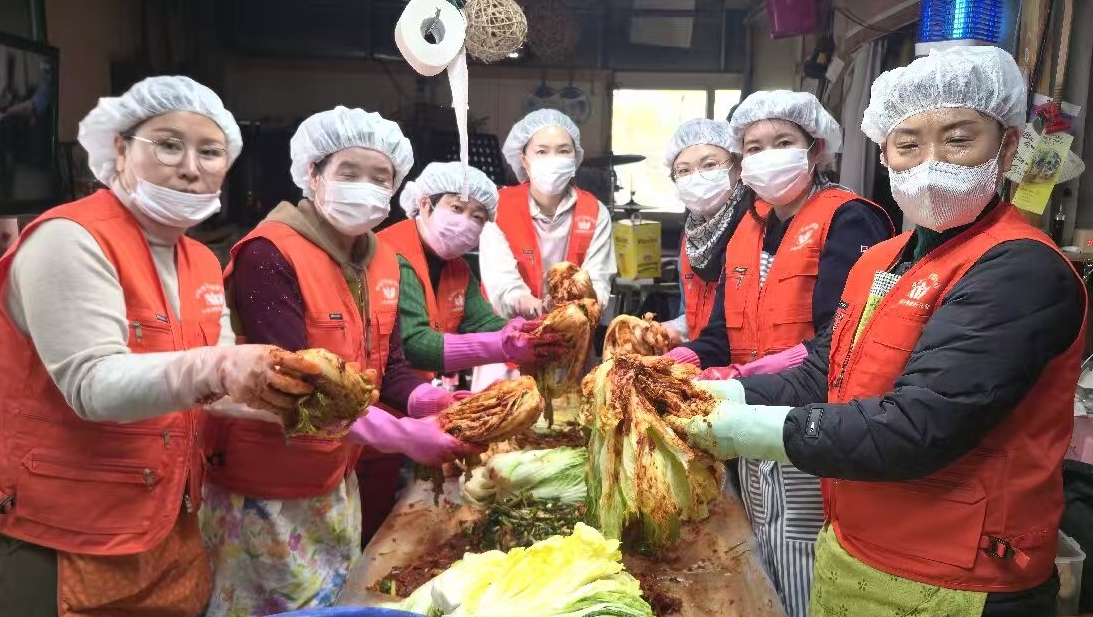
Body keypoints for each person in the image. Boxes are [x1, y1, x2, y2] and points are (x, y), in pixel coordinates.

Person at [669, 46, 1086, 617]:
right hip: (857, 548)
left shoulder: (1020, 269)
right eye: (908, 144)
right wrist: (709, 393)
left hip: (960, 577)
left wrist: (735, 427)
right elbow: (821, 373)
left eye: (958, 140)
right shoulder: (882, 260)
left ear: (1007, 145)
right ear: (884, 152)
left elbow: (917, 426)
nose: (931, 163)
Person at [0, 76, 317, 617]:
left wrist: (299, 400)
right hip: (67, 534)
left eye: (210, 152)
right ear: (120, 149)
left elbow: (214, 389)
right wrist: (221, 364)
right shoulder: (70, 240)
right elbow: (93, 385)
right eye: (169, 145)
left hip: (170, 523)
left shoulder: (200, 260)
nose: (191, 167)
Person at [203, 107, 480, 616]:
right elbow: (293, 390)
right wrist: (403, 436)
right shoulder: (269, 256)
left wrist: (428, 400)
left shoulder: (380, 259)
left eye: (380, 177)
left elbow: (389, 364)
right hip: (266, 491)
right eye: (348, 172)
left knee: (337, 601)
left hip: (334, 477)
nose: (366, 188)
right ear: (313, 174)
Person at [663, 90, 893, 617]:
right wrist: (679, 364)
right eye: (754, 146)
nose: (768, 155)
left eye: (783, 142)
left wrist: (742, 376)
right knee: (759, 547)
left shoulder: (849, 219)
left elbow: (842, 341)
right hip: (747, 414)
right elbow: (718, 335)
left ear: (816, 149)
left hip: (811, 418)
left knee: (804, 549)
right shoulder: (748, 227)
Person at [379, 161, 564, 378]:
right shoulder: (395, 253)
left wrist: (536, 332)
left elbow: (484, 322)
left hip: (414, 388)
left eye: (477, 217)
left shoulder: (458, 269)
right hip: (376, 391)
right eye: (457, 208)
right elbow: (414, 345)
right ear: (426, 205)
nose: (465, 221)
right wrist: (501, 345)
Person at [476, 109, 617, 388]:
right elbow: (502, 287)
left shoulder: (595, 212)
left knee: (571, 412)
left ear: (575, 158)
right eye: (542, 151)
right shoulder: (499, 209)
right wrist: (540, 307)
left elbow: (598, 284)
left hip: (571, 351)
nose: (553, 158)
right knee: (503, 411)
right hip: (508, 350)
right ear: (524, 159)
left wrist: (575, 314)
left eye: (563, 151)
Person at [661, 118, 746, 345]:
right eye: (683, 170)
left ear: (737, 167)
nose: (696, 176)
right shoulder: (691, 238)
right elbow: (691, 316)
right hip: (700, 359)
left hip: (748, 363)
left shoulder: (758, 226)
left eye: (709, 165)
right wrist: (667, 330)